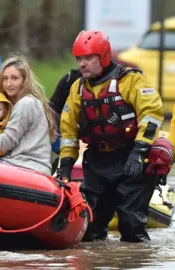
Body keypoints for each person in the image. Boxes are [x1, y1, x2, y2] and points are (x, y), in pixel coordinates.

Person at [58, 30, 164, 242]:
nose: (82, 64)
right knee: (90, 231)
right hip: (97, 162)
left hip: (131, 159)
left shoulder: (131, 80)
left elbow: (151, 114)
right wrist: (66, 165)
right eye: (79, 59)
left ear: (104, 57)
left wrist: (140, 150)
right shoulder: (77, 88)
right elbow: (68, 131)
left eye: (88, 58)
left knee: (131, 226)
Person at [0, 54, 56, 175]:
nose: (8, 84)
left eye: (14, 78)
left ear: (24, 81)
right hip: (20, 164)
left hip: (27, 167)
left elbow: (4, 144)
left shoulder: (26, 103)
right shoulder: (18, 103)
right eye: (5, 78)